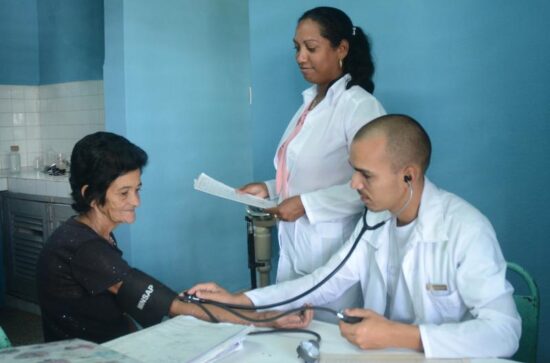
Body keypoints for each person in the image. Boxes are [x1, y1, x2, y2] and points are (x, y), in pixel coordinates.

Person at [190, 114, 521, 358]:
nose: (354, 184)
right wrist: (241, 301)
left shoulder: (465, 228)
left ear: (409, 175)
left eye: (366, 175)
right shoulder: (375, 221)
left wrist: (403, 335)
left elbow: (504, 332)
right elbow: (323, 282)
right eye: (354, 171)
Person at [36, 131, 309, 343]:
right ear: (90, 196)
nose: (136, 201)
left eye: (137, 189)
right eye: (123, 193)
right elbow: (170, 304)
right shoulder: (83, 247)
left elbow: (132, 305)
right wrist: (264, 319)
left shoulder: (91, 233)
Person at [239, 6, 385, 319]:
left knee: (329, 336)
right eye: (297, 48)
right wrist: (267, 188)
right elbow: (307, 173)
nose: (300, 57)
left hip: (334, 250)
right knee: (293, 330)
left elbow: (375, 185)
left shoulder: (359, 105)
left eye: (311, 48)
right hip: (297, 243)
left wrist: (306, 204)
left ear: (341, 48)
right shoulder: (311, 104)